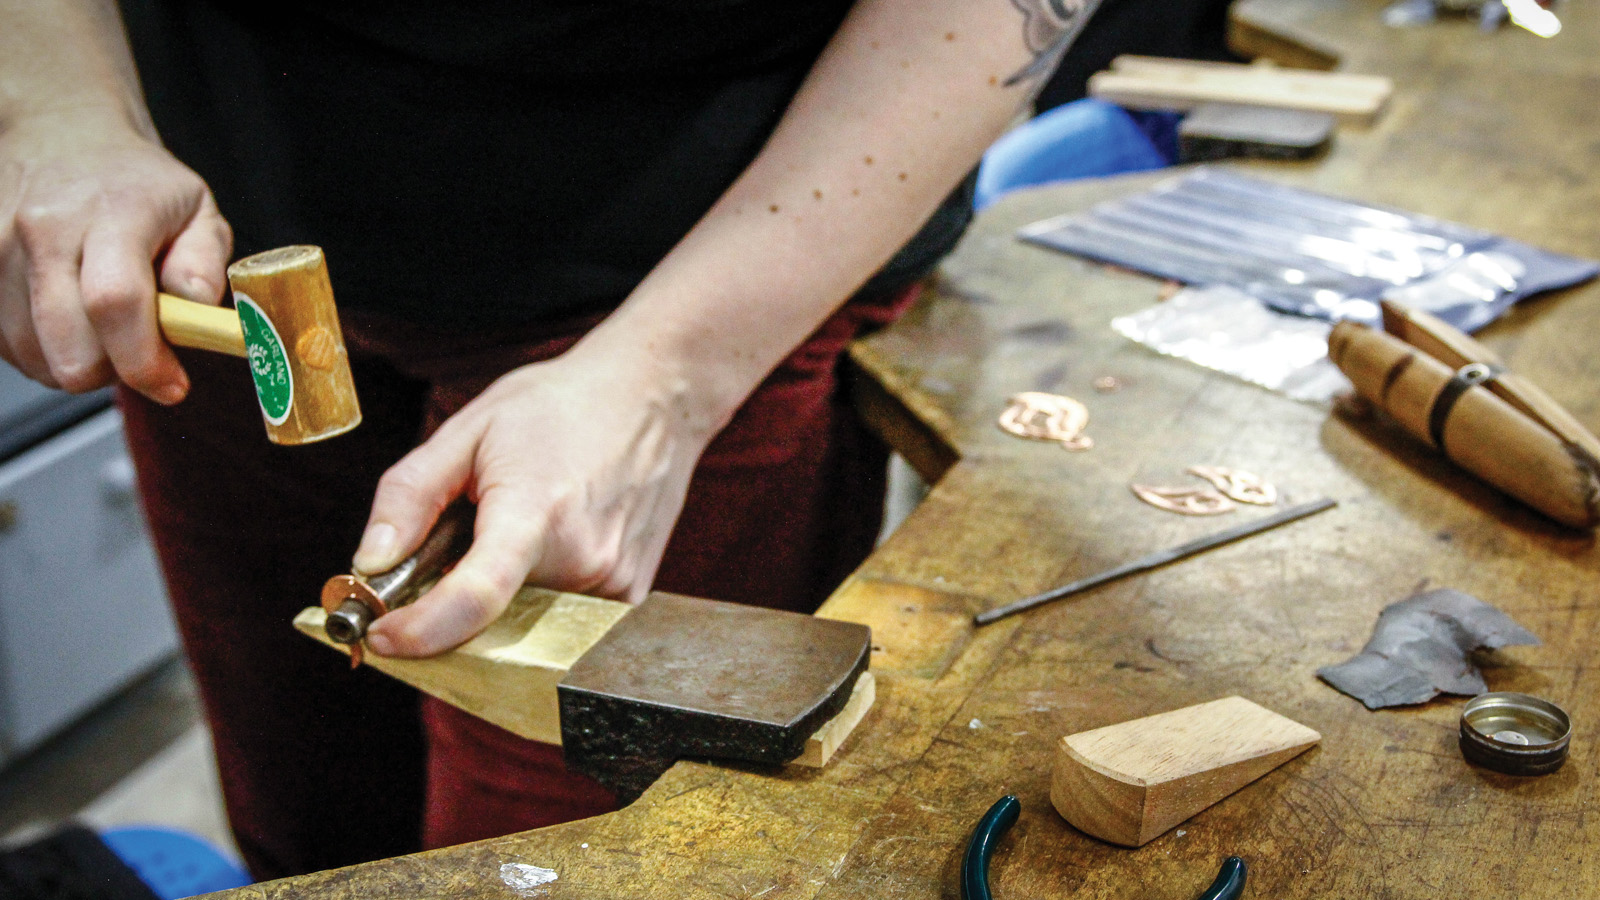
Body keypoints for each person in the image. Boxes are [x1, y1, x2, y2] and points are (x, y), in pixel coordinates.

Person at [0, 0, 1101, 881]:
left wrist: (666, 380)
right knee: (311, 834)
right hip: (214, 269)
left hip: (711, 264)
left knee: (573, 862)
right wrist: (51, 110)